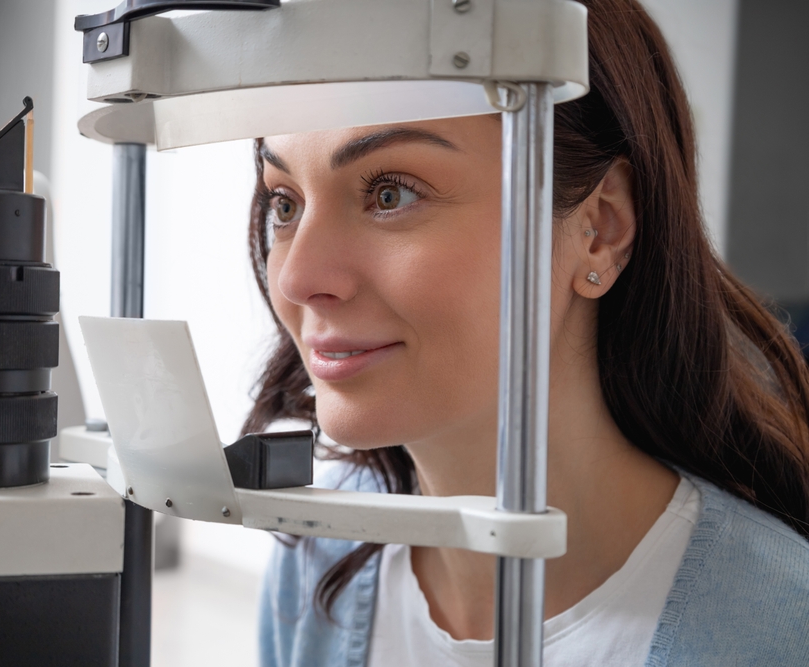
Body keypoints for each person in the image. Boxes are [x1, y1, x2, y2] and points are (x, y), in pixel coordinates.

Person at [245, 0, 809, 665]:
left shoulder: (777, 628)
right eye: (285, 203)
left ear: (598, 229)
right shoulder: (318, 554)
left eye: (390, 193)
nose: (298, 277)